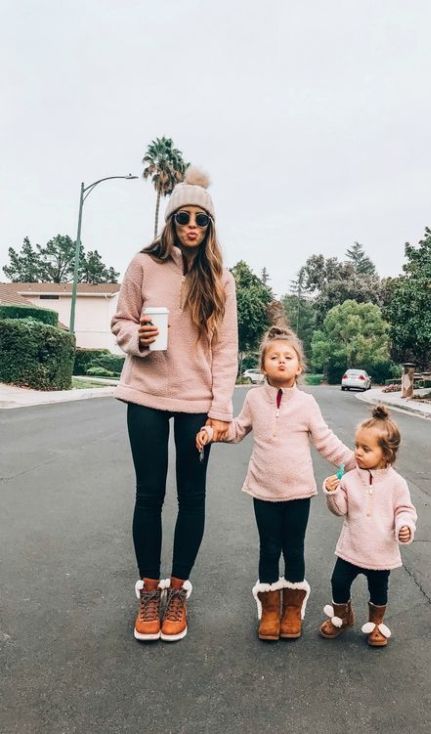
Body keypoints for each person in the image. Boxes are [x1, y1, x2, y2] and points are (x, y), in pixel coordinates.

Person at [111, 167, 238, 643]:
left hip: (196, 401)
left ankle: (178, 590)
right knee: (149, 494)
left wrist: (220, 409)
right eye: (183, 217)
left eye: (201, 219)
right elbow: (121, 320)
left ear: (209, 227)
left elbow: (226, 350)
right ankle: (148, 591)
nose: (191, 225)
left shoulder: (221, 279)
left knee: (192, 496)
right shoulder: (143, 264)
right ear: (170, 221)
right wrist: (136, 338)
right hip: (144, 392)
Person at [196, 325, 355, 641]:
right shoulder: (254, 398)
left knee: (294, 549)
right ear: (263, 364)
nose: (281, 361)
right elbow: (238, 429)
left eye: (288, 357)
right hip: (263, 490)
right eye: (273, 356)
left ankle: (292, 609)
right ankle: (269, 610)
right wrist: (213, 433)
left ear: (299, 366)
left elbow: (325, 441)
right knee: (269, 549)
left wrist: (356, 462)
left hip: (298, 492)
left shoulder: (307, 403)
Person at [319, 404, 417, 647]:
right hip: (351, 547)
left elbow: (405, 510)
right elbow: (339, 510)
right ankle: (342, 616)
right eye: (356, 447)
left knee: (379, 589)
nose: (358, 453)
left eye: (366, 449)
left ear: (386, 454)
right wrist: (332, 493)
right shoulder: (349, 479)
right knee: (338, 582)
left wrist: (405, 526)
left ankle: (376, 625)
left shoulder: (397, 483)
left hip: (381, 552)